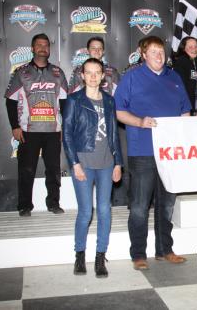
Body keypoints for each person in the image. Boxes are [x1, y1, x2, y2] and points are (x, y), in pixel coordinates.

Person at [114, 36, 191, 270]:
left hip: (170, 153)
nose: (159, 56)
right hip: (143, 151)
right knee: (139, 205)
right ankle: (138, 253)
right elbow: (118, 111)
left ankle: (164, 250)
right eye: (154, 51)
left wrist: (184, 139)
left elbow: (185, 112)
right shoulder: (131, 77)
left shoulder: (174, 77)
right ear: (143, 54)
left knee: (166, 204)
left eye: (161, 51)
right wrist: (139, 121)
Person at [63, 58, 123, 278]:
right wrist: (74, 164)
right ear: (82, 75)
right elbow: (67, 135)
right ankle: (80, 255)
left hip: (107, 163)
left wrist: (118, 163)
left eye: (97, 72)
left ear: (103, 75)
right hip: (84, 164)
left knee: (105, 210)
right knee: (86, 211)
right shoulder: (74, 100)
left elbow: (115, 134)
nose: (93, 76)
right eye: (89, 72)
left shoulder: (109, 100)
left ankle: (100, 256)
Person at [5, 33, 68, 217]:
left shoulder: (58, 73)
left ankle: (54, 203)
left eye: (46, 45)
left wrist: (64, 127)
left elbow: (65, 103)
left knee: (54, 170)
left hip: (52, 131)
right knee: (26, 169)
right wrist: (14, 126)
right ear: (32, 48)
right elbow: (10, 101)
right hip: (28, 131)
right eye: (39, 45)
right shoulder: (21, 72)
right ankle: (24, 205)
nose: (43, 48)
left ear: (49, 49)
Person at [172, 37, 197, 114]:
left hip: (192, 107)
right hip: (185, 109)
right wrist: (186, 110)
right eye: (190, 47)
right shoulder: (182, 61)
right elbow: (180, 87)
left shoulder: (193, 62)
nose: (194, 49)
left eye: (196, 46)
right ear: (183, 49)